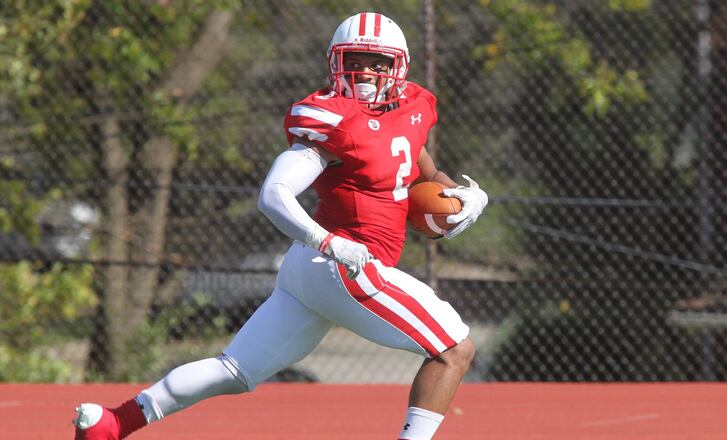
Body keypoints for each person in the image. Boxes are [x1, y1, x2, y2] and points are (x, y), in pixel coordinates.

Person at [72, 11, 488, 440]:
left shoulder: (412, 108)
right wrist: (329, 243)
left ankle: (112, 422)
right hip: (344, 263)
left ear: (398, 66)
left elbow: (422, 171)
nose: (365, 71)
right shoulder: (333, 119)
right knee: (454, 350)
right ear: (335, 62)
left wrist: (463, 194)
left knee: (234, 370)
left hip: (308, 271)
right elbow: (273, 194)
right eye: (356, 59)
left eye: (376, 62)